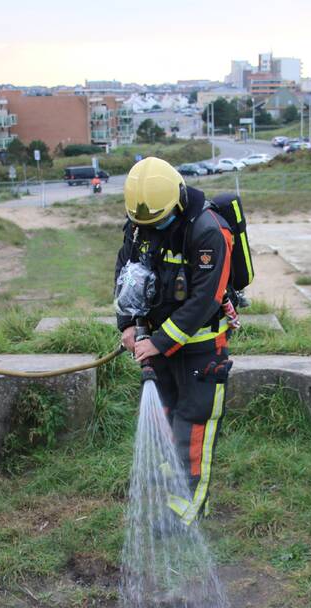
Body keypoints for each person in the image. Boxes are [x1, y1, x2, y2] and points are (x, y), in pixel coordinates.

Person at [115, 157, 234, 526]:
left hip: (201, 349)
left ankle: (186, 515)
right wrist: (127, 324)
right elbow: (126, 273)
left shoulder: (209, 230)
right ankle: (177, 495)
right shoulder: (139, 226)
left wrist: (161, 341)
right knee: (166, 422)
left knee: (192, 429)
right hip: (157, 343)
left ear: (178, 200)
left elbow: (206, 299)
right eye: (145, 224)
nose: (152, 229)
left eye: (159, 221)